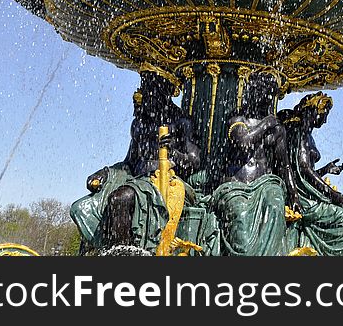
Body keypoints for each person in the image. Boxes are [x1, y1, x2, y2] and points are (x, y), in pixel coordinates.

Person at [71, 67, 205, 254]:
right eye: (145, 87)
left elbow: (195, 161)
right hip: (134, 178)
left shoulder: (181, 121)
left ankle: (123, 255)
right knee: (81, 207)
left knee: (121, 198)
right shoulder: (140, 122)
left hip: (163, 180)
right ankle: (104, 250)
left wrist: (170, 152)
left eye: (151, 87)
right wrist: (106, 172)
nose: (144, 93)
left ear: (165, 90)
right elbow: (130, 160)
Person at [209, 70, 300, 256]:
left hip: (265, 184)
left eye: (269, 94)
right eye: (262, 93)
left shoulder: (278, 129)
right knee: (240, 220)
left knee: (275, 206)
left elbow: (284, 166)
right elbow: (243, 143)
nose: (266, 98)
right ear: (252, 92)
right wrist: (267, 123)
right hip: (236, 185)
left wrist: (294, 195)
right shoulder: (237, 119)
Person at [278, 92, 343, 256]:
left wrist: (325, 170)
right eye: (324, 115)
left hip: (303, 195)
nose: (325, 120)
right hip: (301, 200)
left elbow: (302, 175)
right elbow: (303, 169)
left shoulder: (304, 133)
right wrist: (332, 194)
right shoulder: (299, 131)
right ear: (312, 111)